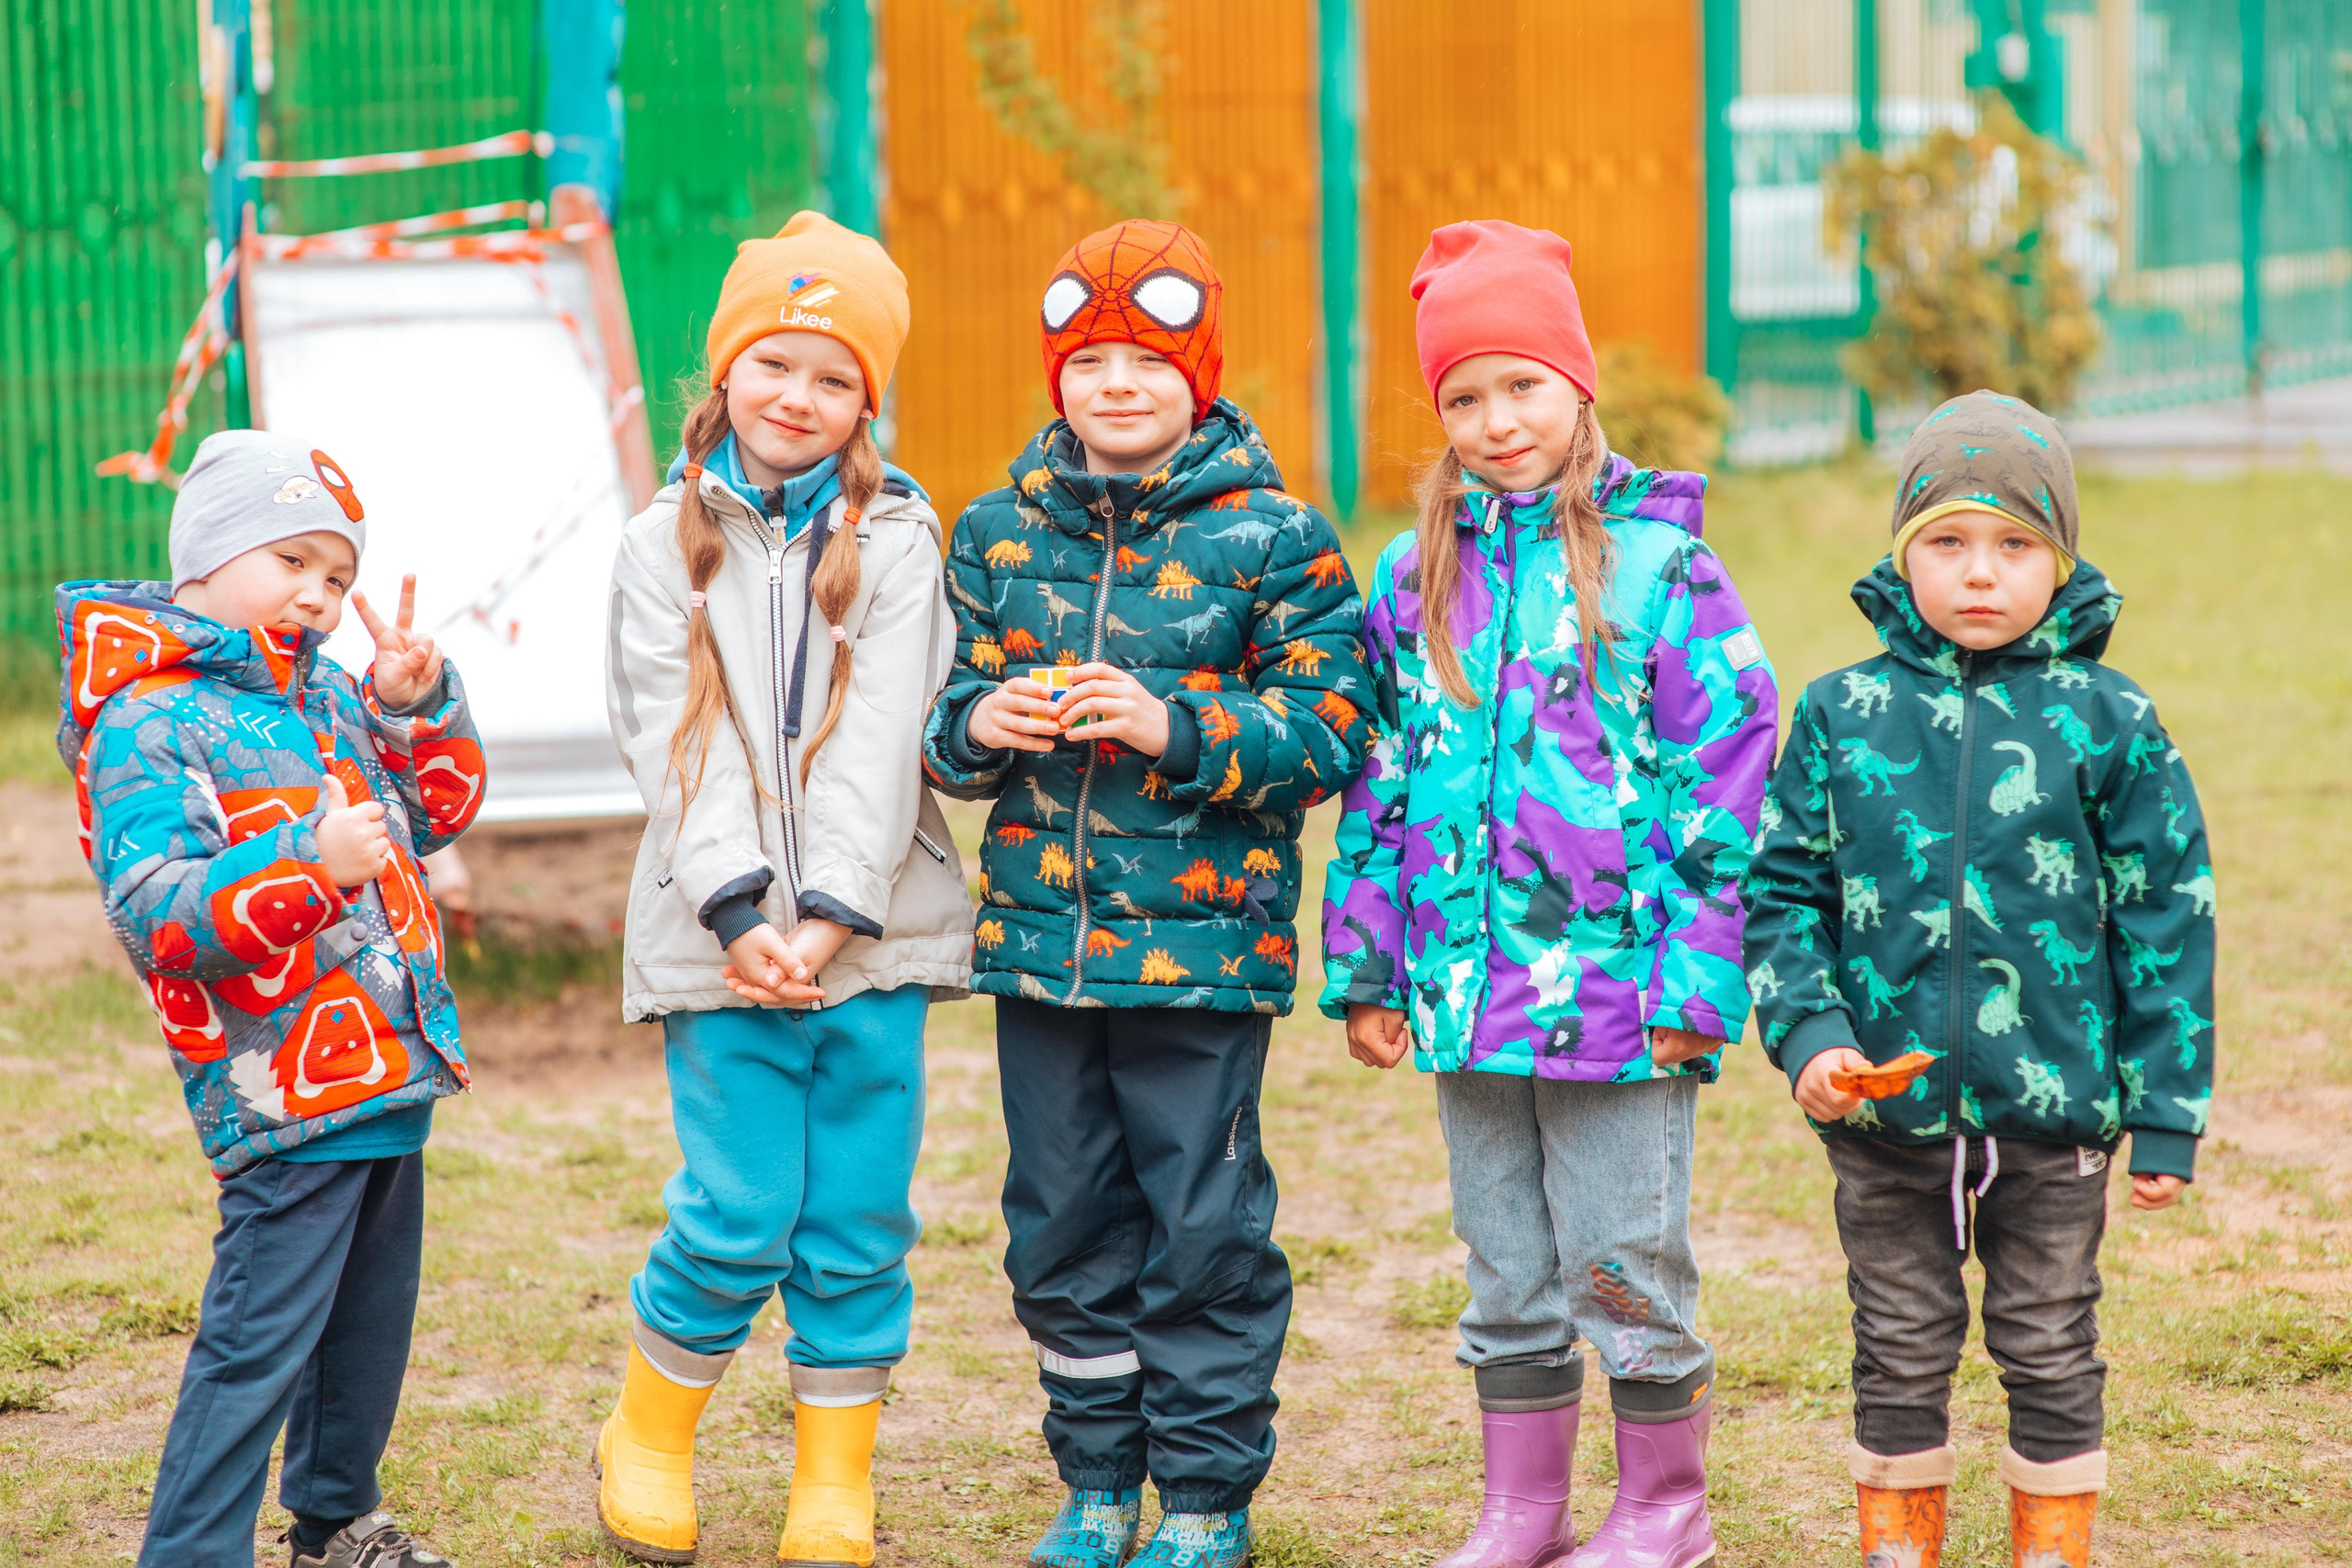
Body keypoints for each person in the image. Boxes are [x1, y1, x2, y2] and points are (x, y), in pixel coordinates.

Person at [1321, 220, 1779, 1568]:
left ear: (1578, 383)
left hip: (1623, 999)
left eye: (1520, 382)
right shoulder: (1417, 579)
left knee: (1623, 1251)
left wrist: (1701, 983)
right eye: (1463, 394)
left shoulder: (1663, 568)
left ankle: (1665, 1510)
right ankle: (1521, 1506)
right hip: (1466, 994)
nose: (1494, 418)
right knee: (1506, 1258)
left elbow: (1726, 783)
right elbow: (1382, 776)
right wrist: (1365, 966)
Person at [921, 219, 1372, 1568]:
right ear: (1056, 372)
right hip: (1042, 957)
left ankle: (1205, 1494)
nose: (1117, 382)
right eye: (1090, 357)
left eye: (1148, 358)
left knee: (1202, 1224)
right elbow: (938, 723)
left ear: (1203, 369)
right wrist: (981, 723)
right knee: (1057, 1224)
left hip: (1201, 960)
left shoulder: (1276, 536)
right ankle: (1098, 1481)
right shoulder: (997, 531)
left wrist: (1175, 726)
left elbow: (1331, 729)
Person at [1740, 390, 2216, 1568]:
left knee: (2050, 1340)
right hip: (1884, 1117)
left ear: (2060, 560)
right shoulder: (1839, 713)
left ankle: (2049, 1547)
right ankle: (1898, 1547)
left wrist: (2165, 1114)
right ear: (1902, 555)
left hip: (2055, 1122)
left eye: (2015, 546)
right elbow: (1778, 895)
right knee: (1897, 1340)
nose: (1980, 576)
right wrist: (1808, 1041)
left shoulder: (2112, 720)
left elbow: (2170, 916)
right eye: (1947, 542)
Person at [597, 210, 974, 1567]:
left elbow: (886, 740)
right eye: (776, 364)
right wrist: (746, 915)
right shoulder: (658, 541)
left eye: (835, 377)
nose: (799, 398)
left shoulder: (906, 538)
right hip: (720, 942)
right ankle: (650, 1424)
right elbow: (667, 735)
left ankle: (834, 1475)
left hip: (870, 938)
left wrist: (830, 914)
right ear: (725, 373)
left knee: (859, 1215)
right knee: (742, 1206)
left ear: (868, 397)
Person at [58, 430, 482, 1568]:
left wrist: (415, 707)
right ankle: (193, 1551)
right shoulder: (152, 719)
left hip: (391, 1070)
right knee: (258, 1343)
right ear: (206, 559)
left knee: (363, 1333)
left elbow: (428, 816)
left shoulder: (333, 695)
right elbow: (158, 912)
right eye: (290, 560)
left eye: (336, 577)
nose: (318, 593)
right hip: (280, 1093)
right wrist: (306, 864)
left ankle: (336, 1521)